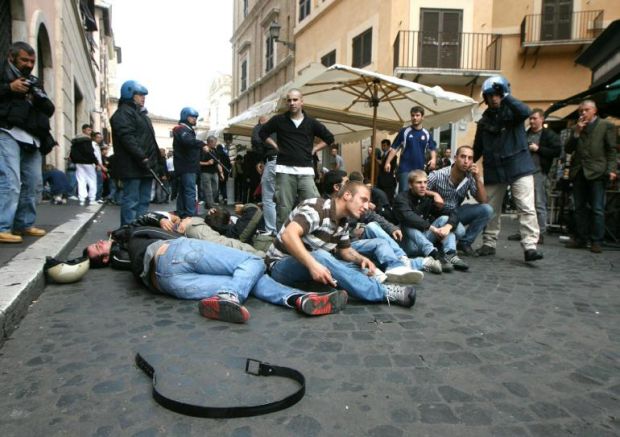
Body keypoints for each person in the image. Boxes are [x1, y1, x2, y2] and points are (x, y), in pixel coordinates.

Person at [85, 229, 348, 323]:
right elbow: (136, 225)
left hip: (166, 282)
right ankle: (232, 296)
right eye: (98, 248)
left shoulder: (121, 258)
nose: (100, 242)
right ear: (105, 258)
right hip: (175, 253)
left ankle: (298, 300)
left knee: (246, 280)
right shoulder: (127, 240)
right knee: (252, 261)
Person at [266, 181, 418, 308]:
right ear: (347, 195)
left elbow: (345, 251)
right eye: (363, 200)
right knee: (322, 256)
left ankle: (344, 283)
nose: (367, 206)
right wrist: (313, 265)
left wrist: (361, 259)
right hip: (280, 266)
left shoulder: (343, 221)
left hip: (311, 263)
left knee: (357, 260)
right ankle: (383, 292)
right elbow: (288, 235)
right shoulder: (317, 208)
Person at [473, 75, 543, 262]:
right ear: (486, 98)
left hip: (518, 166)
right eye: (490, 95)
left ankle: (530, 246)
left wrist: (506, 94)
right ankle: (489, 243)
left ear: (503, 94)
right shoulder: (484, 120)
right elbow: (478, 146)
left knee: (526, 207)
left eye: (497, 95)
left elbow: (525, 111)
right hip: (494, 169)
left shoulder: (514, 112)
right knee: (490, 209)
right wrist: (467, 162)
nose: (494, 98)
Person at [0, 41, 56, 243]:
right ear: (11, 57)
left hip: (32, 135)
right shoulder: (3, 73)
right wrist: (9, 88)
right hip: (7, 131)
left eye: (32, 60)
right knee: (10, 181)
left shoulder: (34, 81)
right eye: (24, 59)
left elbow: (49, 108)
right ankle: (3, 226)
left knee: (33, 182)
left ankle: (24, 223)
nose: (29, 64)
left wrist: (36, 95)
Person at [259, 88, 335, 228]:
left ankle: (309, 238)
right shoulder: (279, 120)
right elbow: (262, 133)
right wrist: (275, 146)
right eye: (289, 100)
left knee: (314, 206)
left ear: (302, 102)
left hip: (306, 171)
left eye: (295, 100)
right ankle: (281, 241)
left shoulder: (311, 122)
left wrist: (315, 149)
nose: (292, 103)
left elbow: (329, 138)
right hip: (284, 171)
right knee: (284, 209)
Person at [564, 100, 617, 253]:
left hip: (597, 171)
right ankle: (581, 238)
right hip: (579, 171)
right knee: (579, 207)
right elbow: (568, 149)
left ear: (594, 110)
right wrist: (576, 133)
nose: (583, 113)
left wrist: (611, 169)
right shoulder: (577, 127)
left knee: (597, 208)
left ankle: (596, 240)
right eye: (581, 111)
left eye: (586, 110)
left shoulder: (606, 126)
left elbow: (611, 150)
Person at [394, 170, 468, 273]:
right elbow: (409, 216)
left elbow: (452, 212)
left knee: (445, 220)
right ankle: (434, 255)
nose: (423, 186)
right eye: (419, 182)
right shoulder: (401, 198)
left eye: (425, 182)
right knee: (407, 223)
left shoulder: (428, 199)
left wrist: (448, 227)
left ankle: (450, 254)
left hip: (424, 240)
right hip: (408, 244)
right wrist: (432, 228)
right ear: (410, 185)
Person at [427, 145, 493, 256]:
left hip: (456, 214)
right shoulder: (438, 175)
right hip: (437, 215)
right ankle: (440, 241)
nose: (466, 161)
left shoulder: (470, 177)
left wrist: (477, 178)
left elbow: (483, 200)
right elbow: (417, 189)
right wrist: (434, 194)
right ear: (455, 157)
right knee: (459, 230)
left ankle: (464, 243)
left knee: (487, 209)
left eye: (470, 158)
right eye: (463, 157)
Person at [507, 109, 561, 243]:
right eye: (530, 119)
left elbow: (557, 151)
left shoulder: (549, 135)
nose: (531, 121)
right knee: (522, 204)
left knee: (539, 204)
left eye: (534, 118)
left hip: (539, 172)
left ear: (542, 119)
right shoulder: (525, 134)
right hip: (523, 173)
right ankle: (523, 231)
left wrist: (538, 149)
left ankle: (540, 233)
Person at [110, 80, 159, 225]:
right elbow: (127, 138)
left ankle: (138, 231)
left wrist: (156, 162)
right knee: (131, 201)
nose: (143, 97)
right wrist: (142, 157)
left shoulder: (142, 116)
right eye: (140, 94)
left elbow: (150, 142)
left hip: (145, 165)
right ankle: (127, 232)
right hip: (133, 165)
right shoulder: (124, 113)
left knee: (143, 201)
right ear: (130, 94)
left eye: (144, 95)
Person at [384, 106, 437, 193]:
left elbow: (432, 148)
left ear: (422, 117)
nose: (414, 118)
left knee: (417, 194)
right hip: (405, 170)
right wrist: (387, 162)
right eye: (412, 115)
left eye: (417, 115)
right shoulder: (404, 131)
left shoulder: (427, 133)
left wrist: (433, 159)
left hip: (420, 170)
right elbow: (394, 148)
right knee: (404, 193)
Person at [172, 107, 207, 217]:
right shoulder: (181, 129)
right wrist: (202, 144)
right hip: (187, 166)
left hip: (187, 166)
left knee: (183, 191)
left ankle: (182, 213)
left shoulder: (187, 129)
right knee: (190, 191)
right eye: (193, 117)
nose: (195, 119)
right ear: (186, 116)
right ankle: (190, 215)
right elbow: (187, 141)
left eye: (196, 117)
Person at [252, 115, 278, 234]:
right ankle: (283, 229)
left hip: (272, 161)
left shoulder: (261, 128)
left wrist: (259, 160)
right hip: (288, 163)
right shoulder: (280, 128)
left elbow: (256, 141)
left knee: (268, 198)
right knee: (285, 198)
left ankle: (271, 230)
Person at [70, 124, 99, 206]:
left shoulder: (75, 140)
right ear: (84, 130)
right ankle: (92, 199)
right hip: (88, 163)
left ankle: (82, 199)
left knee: (81, 180)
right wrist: (96, 163)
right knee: (92, 180)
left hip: (79, 163)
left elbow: (72, 152)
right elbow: (90, 152)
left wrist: (75, 160)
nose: (90, 132)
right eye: (88, 130)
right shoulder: (87, 140)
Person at [199, 135, 222, 208]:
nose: (215, 144)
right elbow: (197, 162)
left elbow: (218, 162)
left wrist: (221, 173)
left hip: (214, 172)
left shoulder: (215, 150)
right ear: (210, 142)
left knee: (215, 189)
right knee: (208, 190)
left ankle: (209, 202)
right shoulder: (203, 150)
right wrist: (207, 163)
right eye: (215, 142)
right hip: (205, 172)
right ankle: (210, 205)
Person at [216, 137, 233, 205]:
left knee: (217, 186)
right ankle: (225, 197)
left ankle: (216, 198)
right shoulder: (226, 155)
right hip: (225, 172)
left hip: (218, 172)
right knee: (224, 185)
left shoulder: (217, 154)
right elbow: (230, 165)